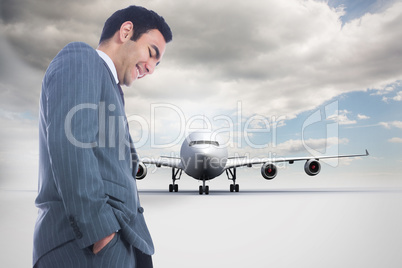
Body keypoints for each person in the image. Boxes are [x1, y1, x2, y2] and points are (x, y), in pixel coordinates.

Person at [33, 5, 172, 267]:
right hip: (84, 248)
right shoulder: (82, 59)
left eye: (157, 63)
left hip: (116, 246)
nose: (151, 68)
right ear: (126, 31)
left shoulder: (111, 89)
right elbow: (71, 145)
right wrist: (101, 235)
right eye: (152, 53)